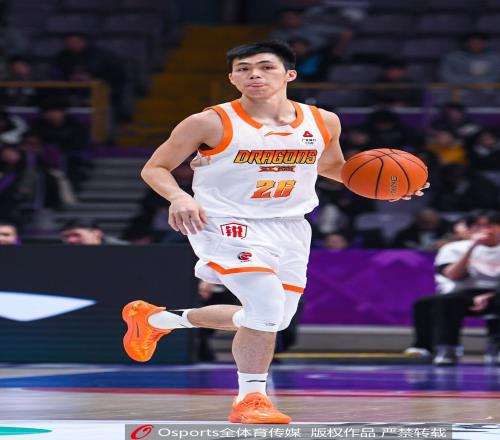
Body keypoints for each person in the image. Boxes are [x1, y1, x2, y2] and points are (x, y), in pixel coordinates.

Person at [121, 41, 428, 424]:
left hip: (290, 226)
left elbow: (332, 167)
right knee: (265, 307)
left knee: (272, 319)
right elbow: (155, 167)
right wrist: (179, 197)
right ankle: (251, 399)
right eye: (244, 68)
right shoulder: (209, 122)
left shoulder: (323, 121)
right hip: (225, 222)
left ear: (289, 74)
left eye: (266, 67)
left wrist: (387, 187)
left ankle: (156, 320)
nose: (255, 74)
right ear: (232, 78)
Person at [405, 211, 500, 365]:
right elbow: (453, 275)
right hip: (462, 293)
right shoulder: (453, 248)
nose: (485, 230)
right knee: (437, 302)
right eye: (478, 226)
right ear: (470, 228)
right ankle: (446, 349)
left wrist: (491, 295)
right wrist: (473, 247)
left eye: (490, 225)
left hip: (495, 293)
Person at [61, 219, 128, 245]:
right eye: (66, 236)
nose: (71, 240)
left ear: (97, 233)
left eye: (76, 235)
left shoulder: (124, 250)